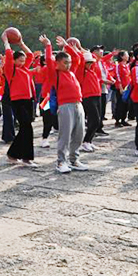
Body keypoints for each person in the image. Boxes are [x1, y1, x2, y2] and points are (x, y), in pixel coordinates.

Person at [44, 36, 87, 173]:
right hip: (65, 106)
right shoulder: (55, 74)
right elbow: (48, 61)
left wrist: (66, 45)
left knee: (79, 134)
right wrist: (48, 45)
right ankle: (61, 162)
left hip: (78, 104)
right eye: (65, 63)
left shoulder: (72, 72)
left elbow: (77, 58)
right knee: (65, 135)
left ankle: (74, 159)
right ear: (58, 63)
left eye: (69, 62)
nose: (68, 65)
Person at [2, 32, 37, 166]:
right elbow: (9, 55)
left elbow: (30, 55)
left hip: (28, 100)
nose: (23, 62)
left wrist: (21, 43)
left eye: (23, 61)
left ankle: (13, 154)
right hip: (18, 101)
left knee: (24, 129)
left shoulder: (25, 69)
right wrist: (6, 42)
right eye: (20, 60)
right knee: (27, 128)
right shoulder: (11, 70)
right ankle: (26, 158)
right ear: (14, 61)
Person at [64, 41, 102, 153]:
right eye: (88, 62)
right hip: (87, 97)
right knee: (94, 120)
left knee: (97, 121)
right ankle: (85, 142)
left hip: (96, 96)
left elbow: (95, 57)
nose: (90, 63)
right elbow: (78, 58)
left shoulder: (92, 70)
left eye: (91, 62)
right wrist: (73, 48)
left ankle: (89, 141)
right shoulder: (81, 71)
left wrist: (81, 48)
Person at [112, 50, 131, 127]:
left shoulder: (127, 66)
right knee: (120, 104)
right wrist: (120, 88)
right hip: (121, 88)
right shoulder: (118, 66)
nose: (128, 56)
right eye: (126, 55)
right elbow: (118, 77)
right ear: (122, 56)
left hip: (127, 88)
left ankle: (123, 119)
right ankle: (117, 120)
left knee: (126, 105)